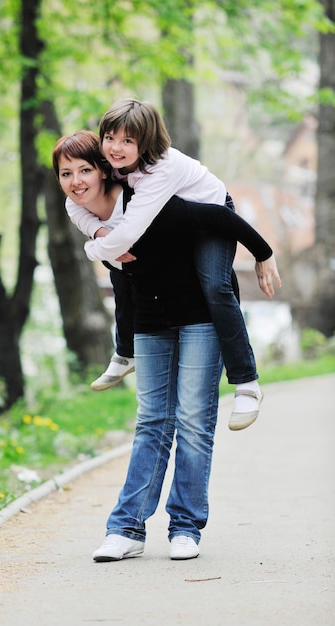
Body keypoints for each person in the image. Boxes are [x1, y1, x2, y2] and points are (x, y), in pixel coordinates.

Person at [52, 130, 277, 561]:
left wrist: (263, 254)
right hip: (152, 325)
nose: (76, 181)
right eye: (66, 174)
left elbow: (219, 218)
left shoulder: (154, 204)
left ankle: (186, 526)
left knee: (192, 420)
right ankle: (127, 529)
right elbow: (123, 293)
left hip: (200, 318)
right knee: (152, 422)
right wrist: (125, 348)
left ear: (106, 171)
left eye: (85, 170)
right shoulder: (88, 219)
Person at [64, 99, 281, 430]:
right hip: (177, 221)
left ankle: (247, 383)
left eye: (127, 141)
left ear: (145, 142)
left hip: (212, 217)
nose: (116, 148)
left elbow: (129, 234)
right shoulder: (112, 164)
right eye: (110, 137)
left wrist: (95, 247)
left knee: (214, 286)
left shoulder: (158, 173)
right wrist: (99, 230)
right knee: (122, 271)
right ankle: (125, 352)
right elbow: (75, 202)